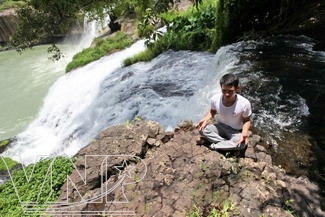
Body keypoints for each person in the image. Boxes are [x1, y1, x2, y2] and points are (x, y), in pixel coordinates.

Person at [197, 73, 252, 151]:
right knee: (203, 130)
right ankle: (225, 144)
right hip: (220, 127)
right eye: (224, 90)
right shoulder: (215, 99)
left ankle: (211, 145)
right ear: (221, 87)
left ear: (237, 89)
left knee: (242, 144)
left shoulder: (244, 103)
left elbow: (247, 120)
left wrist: (244, 133)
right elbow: (212, 111)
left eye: (230, 91)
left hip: (235, 131)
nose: (227, 94)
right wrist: (206, 119)